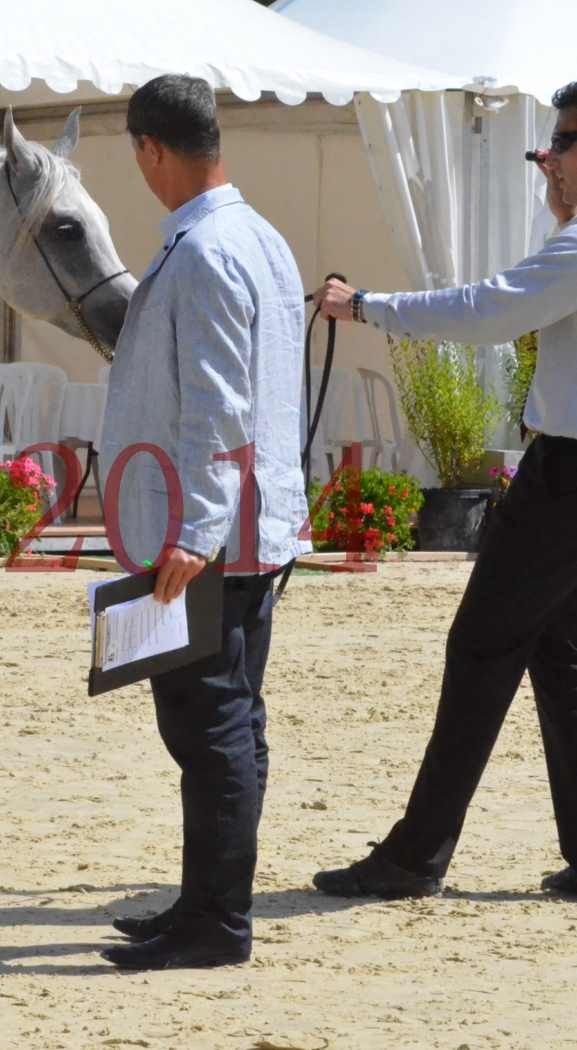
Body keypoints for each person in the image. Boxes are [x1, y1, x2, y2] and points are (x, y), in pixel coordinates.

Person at [309, 80, 577, 900]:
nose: (544, 160)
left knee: (479, 649)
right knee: (557, 653)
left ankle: (415, 853)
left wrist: (367, 307)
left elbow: (481, 310)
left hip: (565, 474)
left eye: (559, 144)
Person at [97, 74, 310, 971]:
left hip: (212, 535)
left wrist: (194, 531)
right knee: (225, 721)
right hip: (247, 525)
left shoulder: (208, 250)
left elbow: (217, 408)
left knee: (210, 725)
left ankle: (216, 922)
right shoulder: (256, 237)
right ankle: (203, 904)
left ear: (151, 150)